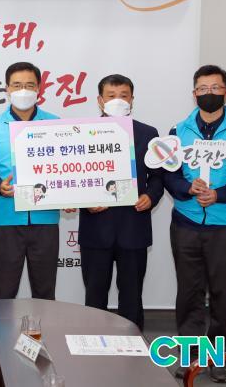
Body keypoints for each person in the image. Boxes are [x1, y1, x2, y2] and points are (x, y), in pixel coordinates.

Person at [164, 65, 226, 383]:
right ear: (194, 94)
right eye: (203, 89)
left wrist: (220, 194)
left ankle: (219, 358)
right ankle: (190, 356)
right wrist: (186, 188)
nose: (209, 93)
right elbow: (168, 173)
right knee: (189, 293)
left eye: (215, 88)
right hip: (187, 223)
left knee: (222, 293)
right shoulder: (178, 130)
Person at [78, 74, 164, 332]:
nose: (118, 100)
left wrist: (151, 196)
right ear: (100, 100)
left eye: (123, 96)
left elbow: (158, 177)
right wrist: (84, 201)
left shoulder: (148, 134)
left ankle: (134, 344)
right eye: (111, 96)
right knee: (94, 295)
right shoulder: (81, 133)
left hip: (133, 227)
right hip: (96, 229)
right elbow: (73, 177)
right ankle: (93, 344)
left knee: (132, 295)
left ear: (132, 100)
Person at [0, 62, 63, 300]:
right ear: (7, 88)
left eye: (29, 85)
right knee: (4, 291)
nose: (23, 90)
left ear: (39, 88)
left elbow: (65, 168)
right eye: (17, 85)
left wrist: (70, 196)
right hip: (6, 219)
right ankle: (1, 327)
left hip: (45, 218)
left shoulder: (56, 124)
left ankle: (43, 327)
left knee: (45, 291)